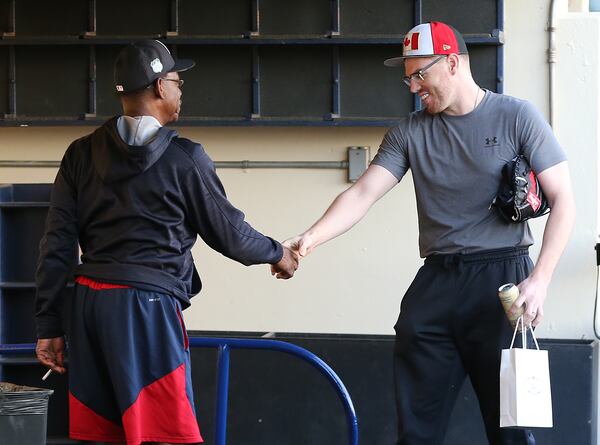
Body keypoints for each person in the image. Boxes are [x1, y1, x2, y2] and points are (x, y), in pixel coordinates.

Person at [282, 22, 575, 445]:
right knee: (416, 430)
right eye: (408, 76)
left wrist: (542, 278)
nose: (413, 86)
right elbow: (363, 192)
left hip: (502, 279)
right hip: (437, 281)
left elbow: (563, 198)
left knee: (511, 428)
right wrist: (310, 237)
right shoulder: (409, 132)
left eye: (420, 74)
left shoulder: (516, 116)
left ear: (453, 63)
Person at [34, 39, 298, 445]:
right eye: (177, 82)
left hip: (88, 306)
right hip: (147, 307)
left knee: (101, 434)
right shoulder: (185, 158)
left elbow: (56, 243)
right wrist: (279, 253)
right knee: (165, 435)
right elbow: (228, 233)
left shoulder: (80, 154)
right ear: (159, 87)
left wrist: (49, 324)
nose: (179, 91)